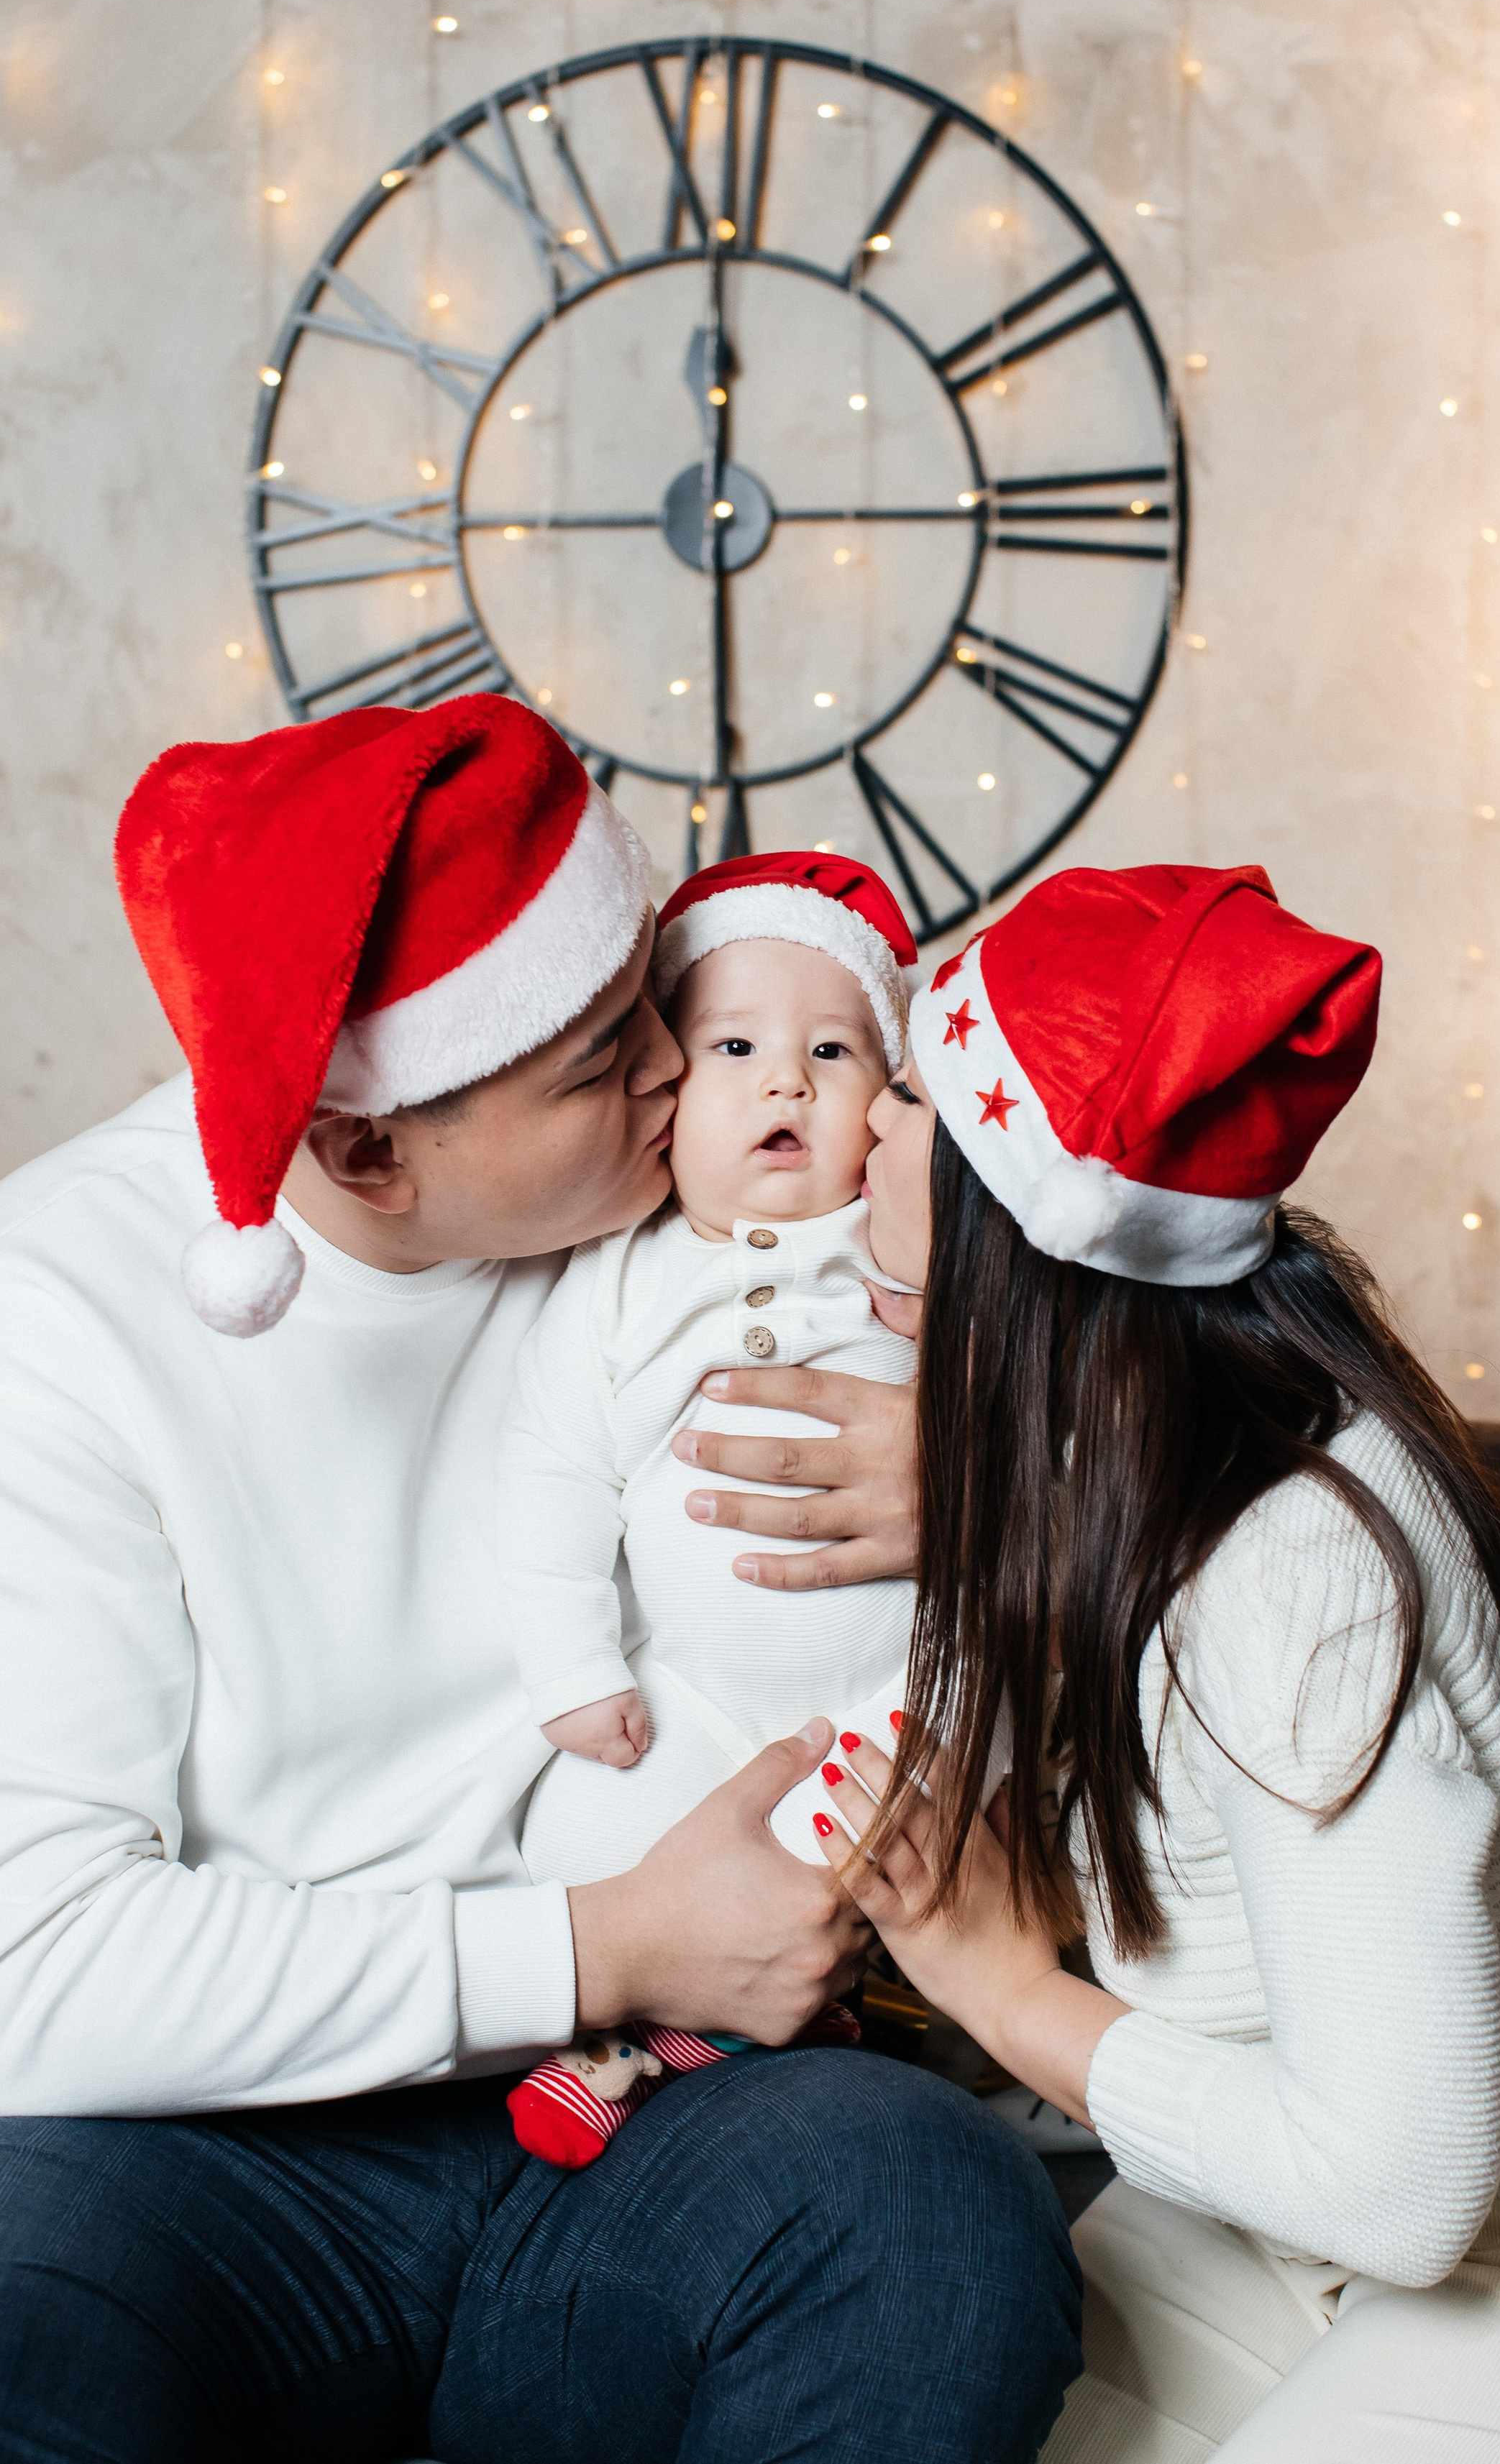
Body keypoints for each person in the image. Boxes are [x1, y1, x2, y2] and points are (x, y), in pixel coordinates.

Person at [0, 699, 1081, 2464]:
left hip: (655, 2104)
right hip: (181, 2150)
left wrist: (983, 1483)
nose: (684, 1072)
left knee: (932, 2228)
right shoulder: (48, 1316)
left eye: (662, 1004)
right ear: (366, 1149)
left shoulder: (718, 1199)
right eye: (600, 1062)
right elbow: (24, 1981)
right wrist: (608, 1938)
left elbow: (1156, 1290)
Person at [818, 861, 1500, 2464]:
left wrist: (1011, 1999)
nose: (861, 1127)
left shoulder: (1291, 1570)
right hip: (1251, 2190)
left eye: (906, 1100)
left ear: (1012, 1241)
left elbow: (1397, 2187)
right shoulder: (1133, 1445)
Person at [500, 851, 927, 2165]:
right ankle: (631, 2037)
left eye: (836, 1051)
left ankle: (875, 2019)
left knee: (952, 1820)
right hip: (687, 1698)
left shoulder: (900, 1242)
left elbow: (1043, 1402)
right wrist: (573, 1667)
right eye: (734, 1045)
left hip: (895, 1689)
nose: (787, 1081)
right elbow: (555, 1473)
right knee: (579, 1824)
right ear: (664, 1102)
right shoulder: (620, 1281)